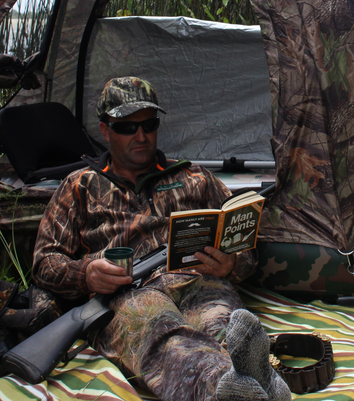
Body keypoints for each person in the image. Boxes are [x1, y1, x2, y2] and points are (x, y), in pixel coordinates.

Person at [32, 77, 290, 401]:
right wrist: (85, 274)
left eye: (149, 124)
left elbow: (246, 245)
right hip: (130, 294)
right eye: (127, 127)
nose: (140, 136)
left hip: (200, 281)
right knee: (165, 335)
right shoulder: (79, 187)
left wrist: (232, 264)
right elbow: (45, 262)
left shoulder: (194, 177)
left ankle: (250, 379)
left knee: (224, 325)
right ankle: (231, 388)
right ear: (104, 130)